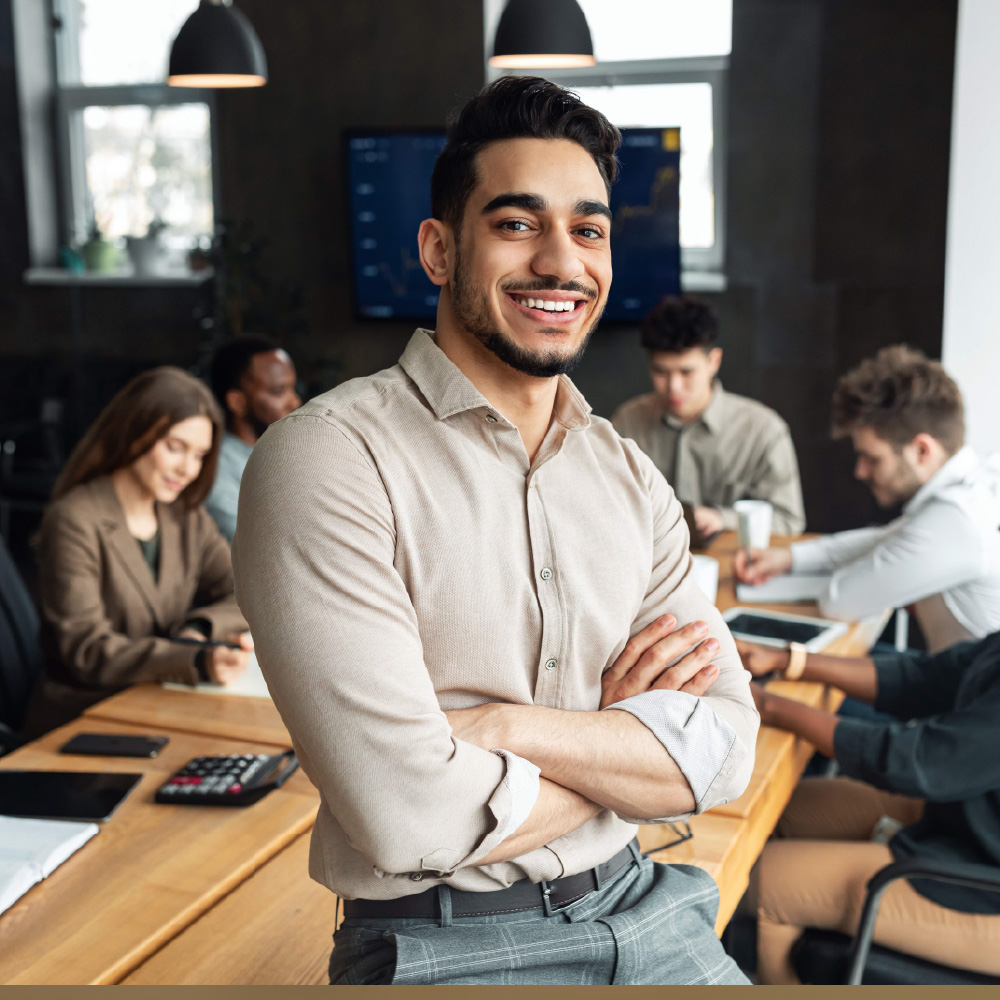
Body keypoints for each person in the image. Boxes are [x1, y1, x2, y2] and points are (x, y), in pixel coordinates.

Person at [233, 77, 758, 986]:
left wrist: (504, 727)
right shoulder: (327, 461)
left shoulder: (630, 478)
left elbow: (723, 752)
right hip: (446, 945)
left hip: (650, 906)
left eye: (587, 230)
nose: (562, 262)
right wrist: (616, 739)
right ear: (439, 249)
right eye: (518, 224)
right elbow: (409, 815)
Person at [736, 636, 1000, 984]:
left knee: (757, 878)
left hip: (982, 881)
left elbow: (915, 761)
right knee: (773, 807)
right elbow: (926, 678)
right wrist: (787, 660)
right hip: (963, 818)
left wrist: (767, 706)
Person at [24, 367, 252, 736]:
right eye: (175, 447)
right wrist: (193, 658)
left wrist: (198, 629)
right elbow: (87, 650)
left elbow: (246, 589)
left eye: (199, 455)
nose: (188, 469)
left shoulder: (185, 515)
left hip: (163, 703)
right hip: (83, 718)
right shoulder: (75, 518)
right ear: (133, 432)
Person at [735, 345, 1000, 654]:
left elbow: (840, 602)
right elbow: (888, 539)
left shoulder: (957, 519)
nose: (860, 471)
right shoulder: (971, 489)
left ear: (922, 451)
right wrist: (789, 558)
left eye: (872, 459)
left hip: (968, 698)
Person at [611, 295, 805, 543]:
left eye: (686, 371)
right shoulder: (628, 421)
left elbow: (788, 520)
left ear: (714, 361)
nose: (674, 387)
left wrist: (723, 518)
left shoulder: (763, 430)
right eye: (661, 371)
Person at [205, 336, 301, 541]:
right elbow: (256, 545)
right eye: (278, 391)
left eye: (293, 388)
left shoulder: (291, 451)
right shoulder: (217, 468)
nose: (294, 401)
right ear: (237, 402)